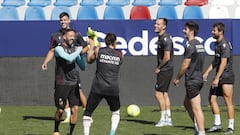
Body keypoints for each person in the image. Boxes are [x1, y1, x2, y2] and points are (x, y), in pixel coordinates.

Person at [41, 12, 87, 123]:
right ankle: (67, 115)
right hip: (61, 71)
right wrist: (46, 62)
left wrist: (76, 56)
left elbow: (85, 48)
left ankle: (87, 114)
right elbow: (52, 50)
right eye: (61, 20)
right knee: (62, 93)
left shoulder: (76, 34)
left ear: (69, 20)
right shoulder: (55, 35)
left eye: (65, 20)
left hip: (72, 70)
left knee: (79, 91)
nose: (63, 22)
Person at [83, 33, 123, 135]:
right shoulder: (120, 54)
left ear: (105, 41)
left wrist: (92, 45)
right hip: (112, 88)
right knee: (116, 111)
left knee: (87, 113)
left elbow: (88, 60)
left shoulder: (98, 51)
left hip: (98, 87)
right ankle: (112, 132)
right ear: (115, 42)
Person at [173, 21, 205, 135]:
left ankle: (201, 132)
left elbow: (185, 65)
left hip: (192, 80)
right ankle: (197, 127)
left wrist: (177, 78)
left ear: (191, 31)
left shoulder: (190, 45)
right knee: (187, 103)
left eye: (185, 29)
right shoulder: (199, 44)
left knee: (196, 108)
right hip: (198, 78)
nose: (183, 31)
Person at [203, 22, 234, 134]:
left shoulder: (224, 44)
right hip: (219, 75)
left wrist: (217, 78)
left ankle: (230, 127)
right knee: (212, 99)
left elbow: (223, 62)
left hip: (226, 76)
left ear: (220, 32)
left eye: (214, 30)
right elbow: (216, 61)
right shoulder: (217, 44)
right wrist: (207, 72)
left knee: (227, 101)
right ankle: (217, 124)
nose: (212, 32)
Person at [52, 28, 83, 135]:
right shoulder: (58, 49)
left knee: (75, 110)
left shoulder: (75, 49)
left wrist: (81, 55)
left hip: (73, 84)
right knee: (60, 110)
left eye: (74, 36)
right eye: (70, 35)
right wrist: (80, 49)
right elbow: (69, 58)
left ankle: (69, 133)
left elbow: (83, 66)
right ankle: (56, 129)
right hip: (62, 84)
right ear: (64, 37)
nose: (72, 38)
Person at [154, 18, 174, 127]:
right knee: (164, 93)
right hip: (167, 69)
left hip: (165, 69)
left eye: (158, 24)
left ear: (164, 26)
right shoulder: (161, 38)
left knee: (157, 93)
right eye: (155, 23)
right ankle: (168, 118)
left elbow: (167, 57)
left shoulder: (165, 39)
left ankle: (163, 119)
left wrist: (159, 67)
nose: (155, 25)